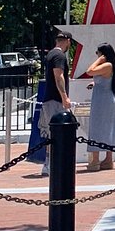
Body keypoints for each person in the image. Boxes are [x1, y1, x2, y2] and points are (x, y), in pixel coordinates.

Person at [85, 42, 115, 171]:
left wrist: (99, 59)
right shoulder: (107, 66)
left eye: (97, 53)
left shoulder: (107, 65)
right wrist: (94, 83)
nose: (96, 55)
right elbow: (101, 78)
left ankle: (98, 160)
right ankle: (106, 159)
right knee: (101, 127)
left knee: (101, 128)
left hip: (104, 101)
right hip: (102, 99)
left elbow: (89, 71)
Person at [38, 32, 73, 173]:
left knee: (50, 131)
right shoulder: (59, 56)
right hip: (55, 100)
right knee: (56, 131)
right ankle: (51, 164)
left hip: (49, 98)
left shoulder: (51, 54)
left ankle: (49, 162)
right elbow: (59, 77)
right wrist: (65, 97)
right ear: (68, 41)